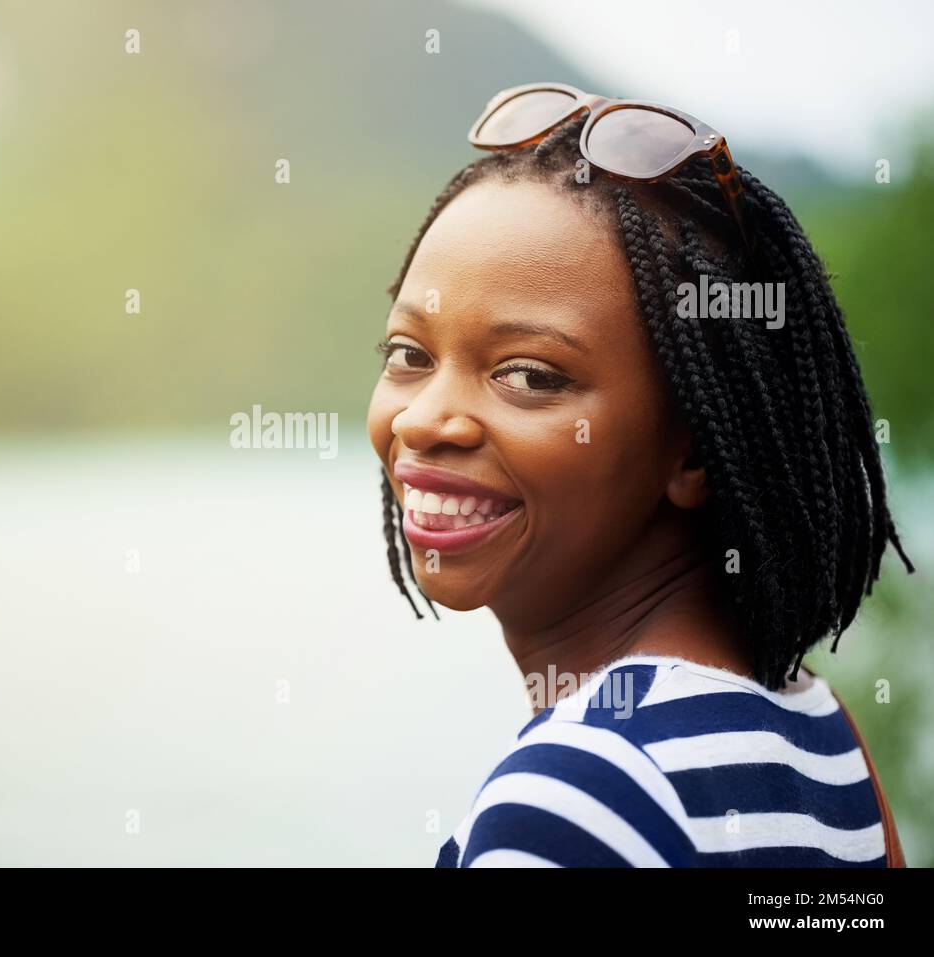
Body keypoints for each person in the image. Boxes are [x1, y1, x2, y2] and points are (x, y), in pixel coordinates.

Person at [365, 83, 913, 867]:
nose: (423, 420)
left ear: (691, 450)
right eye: (409, 356)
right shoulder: (823, 731)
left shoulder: (570, 799)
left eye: (528, 374)